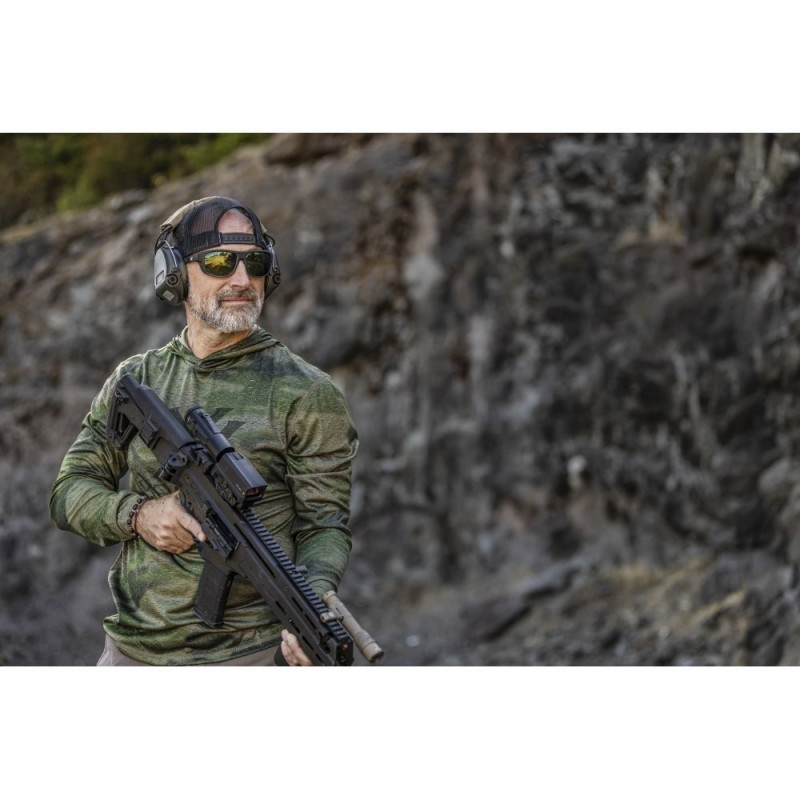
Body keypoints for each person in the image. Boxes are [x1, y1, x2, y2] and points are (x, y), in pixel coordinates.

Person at [49, 196, 359, 666]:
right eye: (219, 262)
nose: (242, 280)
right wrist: (139, 514)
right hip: (131, 652)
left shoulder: (306, 391)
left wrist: (311, 611)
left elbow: (325, 526)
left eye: (255, 263)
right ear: (174, 273)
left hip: (251, 655)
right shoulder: (138, 379)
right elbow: (69, 491)